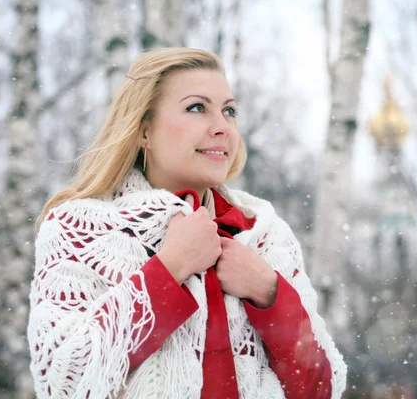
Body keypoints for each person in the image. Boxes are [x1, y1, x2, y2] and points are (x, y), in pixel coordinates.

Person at [28, 47, 347, 399]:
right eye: (197, 108)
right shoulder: (77, 228)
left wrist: (268, 293)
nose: (222, 127)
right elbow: (65, 383)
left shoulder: (265, 236)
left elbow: (321, 390)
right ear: (143, 129)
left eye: (229, 111)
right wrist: (169, 269)